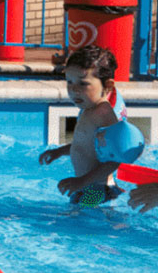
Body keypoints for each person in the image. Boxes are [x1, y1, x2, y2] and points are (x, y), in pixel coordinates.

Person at [38, 46, 126, 206]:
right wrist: (60, 151)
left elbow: (116, 160)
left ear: (107, 86)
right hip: (88, 187)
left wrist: (82, 181)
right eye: (69, 82)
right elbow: (87, 144)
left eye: (83, 83)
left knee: (78, 226)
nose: (73, 89)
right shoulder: (89, 109)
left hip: (96, 190)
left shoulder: (103, 114)